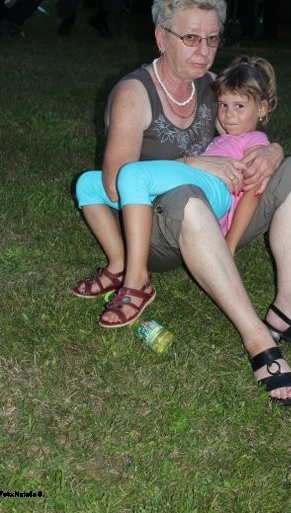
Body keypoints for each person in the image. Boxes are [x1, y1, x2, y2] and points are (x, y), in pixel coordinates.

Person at [71, 0, 291, 407]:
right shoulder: (134, 93)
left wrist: (272, 151)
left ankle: (290, 307)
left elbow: (245, 128)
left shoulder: (213, 86)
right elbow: (112, 183)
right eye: (191, 38)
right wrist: (191, 164)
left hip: (218, 218)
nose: (203, 51)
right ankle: (256, 337)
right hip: (157, 231)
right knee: (186, 197)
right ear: (162, 37)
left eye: (212, 39)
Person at [74, 55, 276, 327]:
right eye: (224, 105)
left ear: (262, 108)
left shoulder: (255, 140)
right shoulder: (228, 131)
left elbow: (254, 192)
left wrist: (229, 245)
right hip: (194, 184)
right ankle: (119, 264)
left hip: (216, 194)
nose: (229, 114)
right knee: (87, 184)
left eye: (239, 106)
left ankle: (137, 281)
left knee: (132, 174)